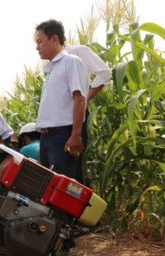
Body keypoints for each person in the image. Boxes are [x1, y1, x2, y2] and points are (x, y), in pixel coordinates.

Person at [34, 19, 88, 179]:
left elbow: (79, 99)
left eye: (40, 42)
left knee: (59, 188)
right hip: (46, 138)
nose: (37, 47)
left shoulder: (71, 63)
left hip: (62, 137)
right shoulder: (52, 70)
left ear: (55, 39)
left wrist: (76, 134)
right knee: (47, 188)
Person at [64, 43, 111, 183]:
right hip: (60, 120)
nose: (38, 47)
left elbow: (105, 72)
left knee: (74, 167)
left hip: (76, 116)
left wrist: (86, 97)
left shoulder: (77, 52)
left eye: (41, 42)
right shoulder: (53, 64)